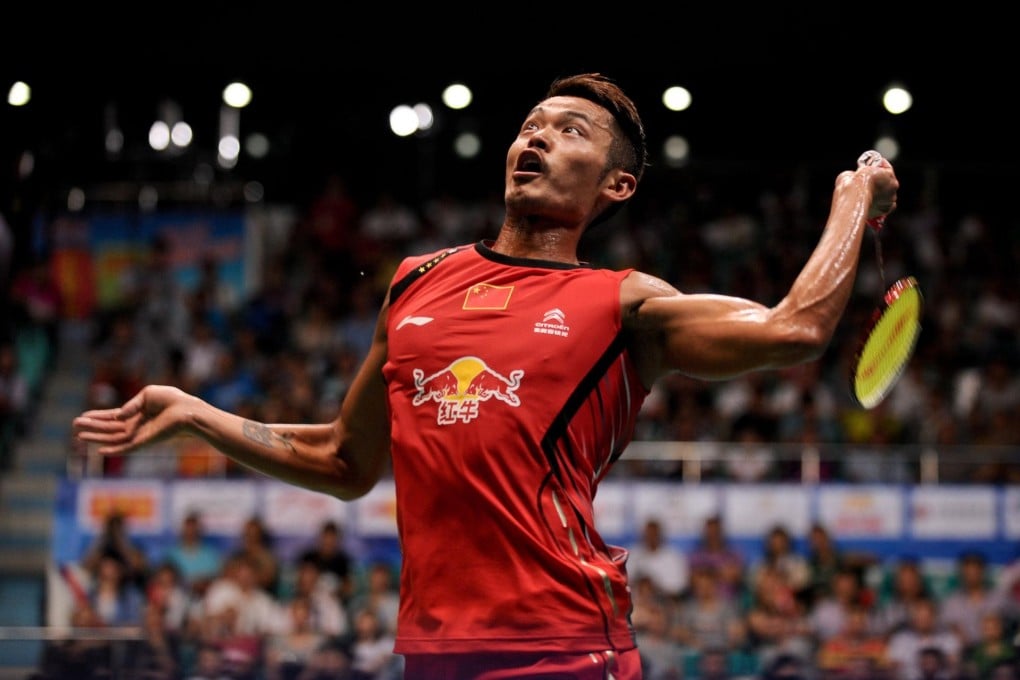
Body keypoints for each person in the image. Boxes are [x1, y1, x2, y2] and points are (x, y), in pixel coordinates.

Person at [72, 72, 899, 679]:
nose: (536, 138)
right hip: (433, 650)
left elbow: (795, 328)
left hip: (563, 646)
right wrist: (197, 415)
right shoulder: (415, 283)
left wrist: (853, 196)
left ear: (617, 184)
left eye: (571, 131)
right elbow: (344, 461)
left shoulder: (622, 303)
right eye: (531, 125)